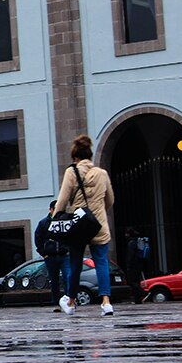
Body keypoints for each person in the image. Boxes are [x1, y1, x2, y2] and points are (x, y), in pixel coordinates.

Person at [55, 134, 115, 316]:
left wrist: (56, 217)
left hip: (78, 226)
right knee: (102, 263)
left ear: (75, 157)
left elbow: (63, 199)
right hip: (98, 225)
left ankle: (71, 302)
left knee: (75, 264)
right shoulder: (102, 174)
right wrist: (97, 212)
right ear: (90, 155)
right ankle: (106, 303)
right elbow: (110, 199)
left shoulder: (71, 172)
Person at [34, 200, 71, 311]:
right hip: (50, 256)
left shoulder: (64, 221)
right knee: (54, 280)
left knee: (67, 277)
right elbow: (38, 238)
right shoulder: (44, 223)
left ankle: (69, 301)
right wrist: (44, 253)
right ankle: (56, 303)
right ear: (51, 209)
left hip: (64, 254)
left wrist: (69, 249)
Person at [124, 227, 146, 304]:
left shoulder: (131, 243)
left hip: (133, 265)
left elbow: (130, 255)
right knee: (137, 281)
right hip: (139, 264)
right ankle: (138, 300)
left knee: (131, 282)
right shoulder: (138, 241)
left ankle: (143, 292)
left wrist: (128, 265)